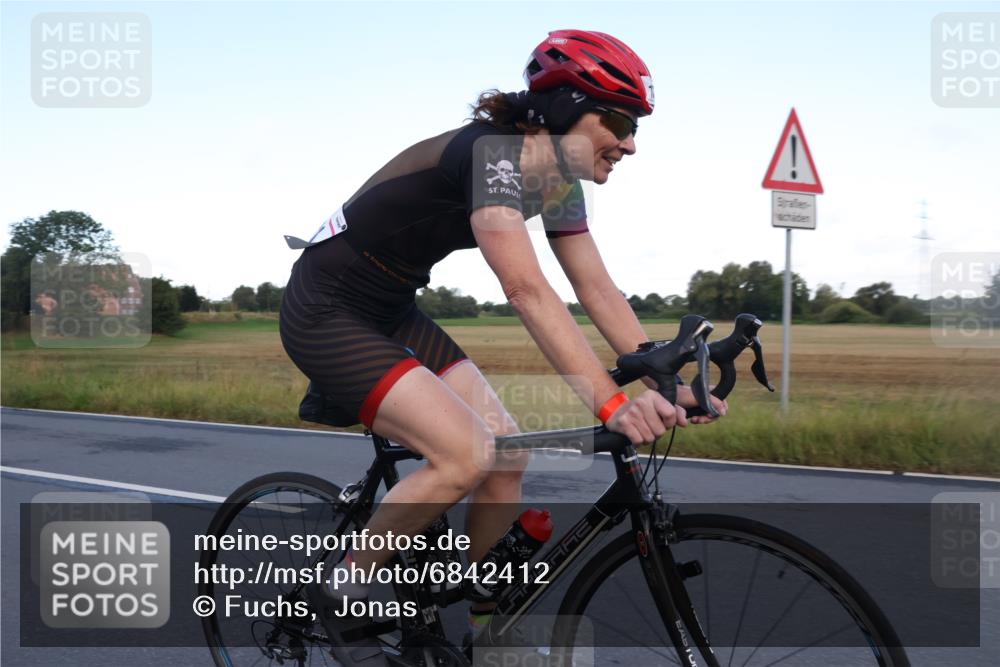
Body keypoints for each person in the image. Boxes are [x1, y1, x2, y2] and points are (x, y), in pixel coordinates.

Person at [279, 29, 727, 666]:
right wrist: (609, 404)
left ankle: (488, 633)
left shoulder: (560, 181)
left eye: (636, 127)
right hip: (326, 306)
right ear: (568, 108)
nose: (630, 143)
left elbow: (593, 286)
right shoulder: (493, 155)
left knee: (506, 457)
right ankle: (342, 588)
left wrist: (660, 380)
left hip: (391, 307)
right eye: (620, 121)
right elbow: (525, 288)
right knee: (465, 454)